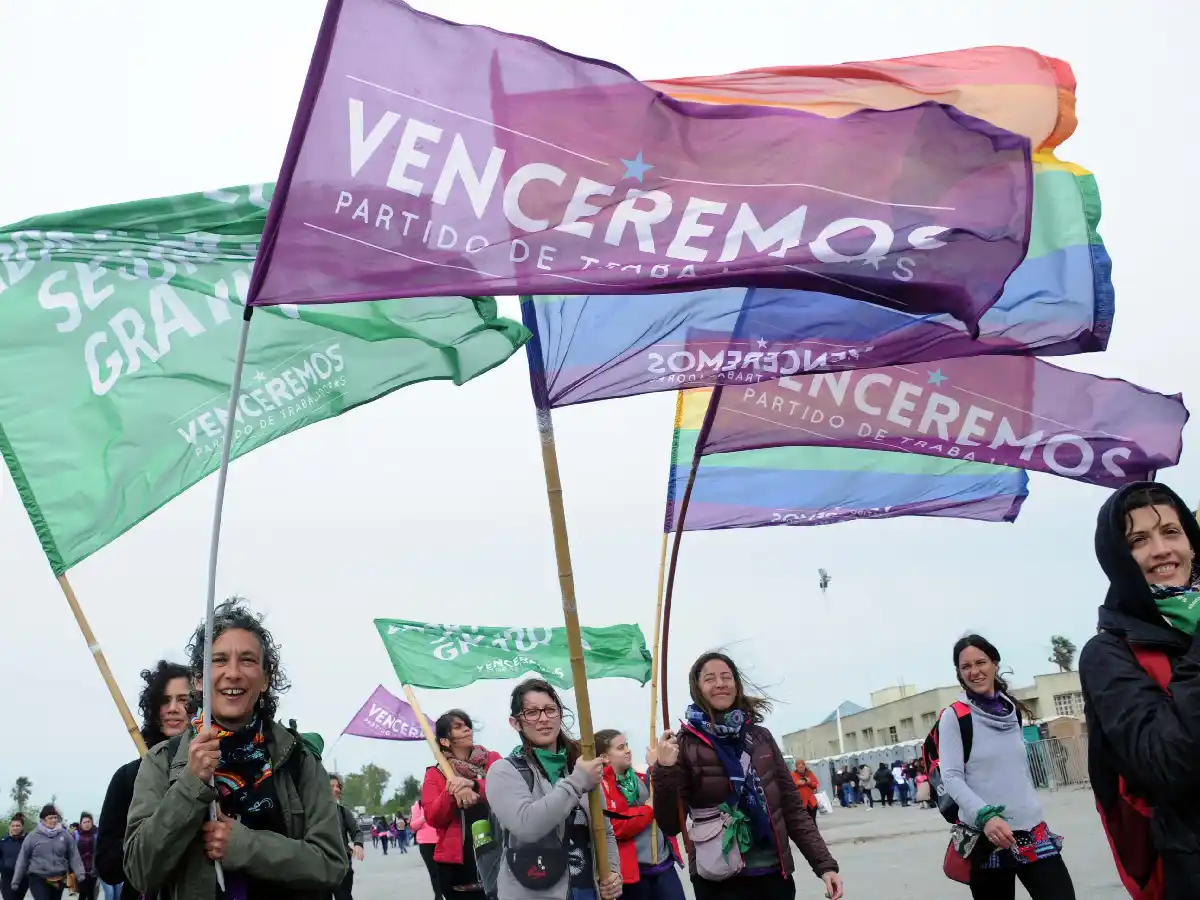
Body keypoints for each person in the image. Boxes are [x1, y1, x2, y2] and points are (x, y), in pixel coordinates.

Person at [124, 597, 347, 900]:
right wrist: (190, 784)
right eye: (218, 660)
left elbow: (332, 865)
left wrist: (245, 846)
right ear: (200, 679)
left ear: (265, 679)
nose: (233, 672)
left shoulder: (298, 758)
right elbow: (139, 870)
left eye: (247, 660)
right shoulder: (162, 761)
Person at [1079, 482, 1200, 899]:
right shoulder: (1108, 653)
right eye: (1139, 540)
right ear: (1118, 559)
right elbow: (1167, 763)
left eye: (1171, 532)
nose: (1162, 549)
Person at [652, 652, 843, 900]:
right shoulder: (685, 744)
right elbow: (670, 824)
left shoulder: (761, 737)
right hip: (719, 880)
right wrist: (664, 770)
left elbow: (791, 808)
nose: (720, 683)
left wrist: (825, 865)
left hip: (773, 874)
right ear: (697, 688)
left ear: (736, 685)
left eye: (726, 677)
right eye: (710, 679)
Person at [940, 635, 1076, 899]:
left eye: (981, 662)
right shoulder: (954, 717)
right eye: (966, 666)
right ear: (959, 672)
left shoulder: (1011, 710)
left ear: (994, 663)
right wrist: (986, 816)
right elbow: (952, 778)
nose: (974, 671)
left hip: (1032, 831)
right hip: (986, 839)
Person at [487, 679, 621, 900]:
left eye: (550, 710)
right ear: (516, 722)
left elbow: (605, 830)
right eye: (531, 712)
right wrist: (577, 781)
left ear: (560, 714)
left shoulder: (579, 767)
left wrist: (613, 872)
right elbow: (527, 825)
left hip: (587, 891)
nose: (543, 718)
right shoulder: (504, 771)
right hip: (534, 892)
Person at [96, 660, 193, 900]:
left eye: (183, 700)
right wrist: (153, 830)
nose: (172, 708)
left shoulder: (219, 770)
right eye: (164, 700)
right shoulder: (128, 777)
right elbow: (108, 868)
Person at [420, 709, 501, 898]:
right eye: (458, 727)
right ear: (445, 741)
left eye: (467, 725)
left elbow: (507, 789)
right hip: (458, 864)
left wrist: (474, 785)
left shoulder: (492, 760)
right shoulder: (436, 773)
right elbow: (433, 817)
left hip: (499, 852)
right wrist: (453, 790)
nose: (467, 730)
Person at [595, 729, 684, 900]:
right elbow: (617, 825)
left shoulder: (643, 779)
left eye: (627, 745)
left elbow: (666, 800)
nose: (628, 750)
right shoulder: (601, 788)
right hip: (633, 873)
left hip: (663, 865)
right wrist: (648, 809)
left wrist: (656, 766)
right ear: (605, 757)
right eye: (620, 747)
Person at [10, 806, 83, 900]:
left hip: (58, 878)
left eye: (55, 817)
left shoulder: (65, 835)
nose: (53, 820)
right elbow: (22, 859)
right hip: (38, 878)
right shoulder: (33, 836)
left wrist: (80, 874)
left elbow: (74, 855)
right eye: (50, 818)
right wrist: (16, 881)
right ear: (43, 820)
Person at [329, 774, 365, 900]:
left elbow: (357, 831)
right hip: (321, 868)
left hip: (342, 866)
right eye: (332, 786)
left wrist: (358, 845)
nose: (337, 789)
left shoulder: (344, 812)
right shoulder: (313, 812)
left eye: (338, 786)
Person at [409, 800, 442, 900]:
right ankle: (438, 896)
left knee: (444, 871)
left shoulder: (440, 801)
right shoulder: (418, 805)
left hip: (441, 840)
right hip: (426, 843)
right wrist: (424, 818)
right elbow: (413, 826)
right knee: (434, 872)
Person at [1, 814, 28, 900]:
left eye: (18, 826)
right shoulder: (3, 842)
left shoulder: (27, 841)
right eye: (13, 826)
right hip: (7, 878)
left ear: (22, 827)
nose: (15, 828)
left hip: (23, 879)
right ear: (10, 827)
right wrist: (3, 866)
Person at [71, 815, 97, 900]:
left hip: (93, 870)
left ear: (92, 823)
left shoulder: (96, 834)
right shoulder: (76, 835)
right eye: (84, 822)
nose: (87, 824)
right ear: (81, 824)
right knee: (83, 892)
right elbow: (71, 851)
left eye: (89, 822)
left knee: (91, 894)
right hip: (80, 870)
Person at [790, 762, 820, 826]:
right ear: (796, 767)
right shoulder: (793, 774)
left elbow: (816, 784)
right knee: (804, 823)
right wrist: (797, 784)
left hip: (811, 802)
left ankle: (814, 835)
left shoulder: (809, 773)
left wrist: (810, 782)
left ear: (804, 766)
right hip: (800, 802)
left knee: (813, 821)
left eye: (802, 767)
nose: (801, 769)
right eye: (799, 767)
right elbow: (789, 787)